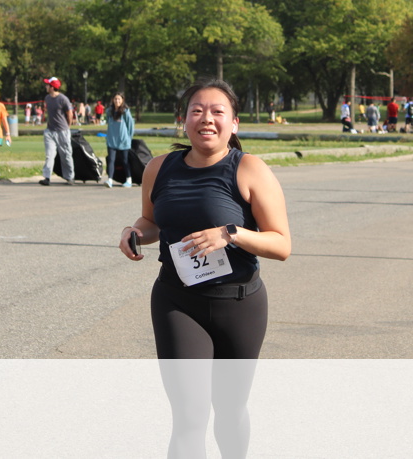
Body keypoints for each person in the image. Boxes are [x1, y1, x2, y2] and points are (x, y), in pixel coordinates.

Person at [118, 78, 291, 457]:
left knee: (229, 411)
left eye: (217, 112)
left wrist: (231, 234)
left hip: (239, 305)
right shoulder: (159, 168)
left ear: (234, 123)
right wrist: (135, 232)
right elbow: (151, 221)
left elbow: (281, 244)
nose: (206, 119)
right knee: (189, 417)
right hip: (177, 302)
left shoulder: (250, 169)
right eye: (196, 111)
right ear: (184, 120)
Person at [39, 77, 75, 186]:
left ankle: (70, 177)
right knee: (49, 155)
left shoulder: (63, 99)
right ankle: (47, 177)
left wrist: (67, 127)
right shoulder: (47, 98)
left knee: (66, 155)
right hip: (50, 131)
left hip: (62, 131)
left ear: (52, 87)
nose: (46, 86)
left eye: (47, 85)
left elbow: (70, 114)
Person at [104, 92, 135, 188]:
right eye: (115, 99)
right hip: (111, 140)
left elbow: (130, 126)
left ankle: (129, 179)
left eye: (119, 99)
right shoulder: (109, 111)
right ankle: (110, 180)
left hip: (123, 141)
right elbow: (108, 122)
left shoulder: (125, 112)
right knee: (111, 160)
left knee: (125, 161)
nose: (117, 101)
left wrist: (129, 138)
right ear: (113, 100)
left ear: (122, 100)